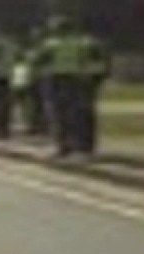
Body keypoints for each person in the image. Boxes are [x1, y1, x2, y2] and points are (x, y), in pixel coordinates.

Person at [37, 17, 105, 157]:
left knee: (59, 114)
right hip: (78, 79)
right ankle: (82, 144)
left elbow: (40, 61)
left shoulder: (51, 44)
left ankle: (63, 145)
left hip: (57, 79)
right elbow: (94, 60)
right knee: (78, 113)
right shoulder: (82, 43)